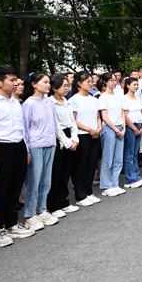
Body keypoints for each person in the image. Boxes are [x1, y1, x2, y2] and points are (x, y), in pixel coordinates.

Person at [0, 66, 36, 244]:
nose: (15, 83)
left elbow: (21, 128)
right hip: (1, 148)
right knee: (0, 190)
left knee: (15, 187)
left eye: (16, 80)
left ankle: (12, 223)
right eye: (11, 80)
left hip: (18, 146)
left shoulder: (15, 101)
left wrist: (25, 149)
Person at [21, 73, 59, 230]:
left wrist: (55, 143)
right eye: (45, 82)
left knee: (46, 180)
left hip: (50, 144)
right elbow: (24, 128)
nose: (48, 85)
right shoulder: (28, 104)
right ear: (34, 84)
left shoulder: (50, 102)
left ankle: (42, 210)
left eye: (49, 82)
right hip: (35, 146)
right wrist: (27, 150)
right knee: (34, 181)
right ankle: (30, 215)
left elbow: (55, 124)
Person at [48, 74, 81, 219]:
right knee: (56, 173)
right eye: (64, 86)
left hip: (70, 136)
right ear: (54, 88)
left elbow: (73, 122)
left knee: (66, 172)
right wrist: (67, 142)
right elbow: (55, 126)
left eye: (68, 85)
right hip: (59, 139)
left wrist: (74, 139)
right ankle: (54, 205)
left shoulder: (67, 102)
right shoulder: (50, 103)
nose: (67, 88)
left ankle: (64, 201)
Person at [68, 71, 102, 207]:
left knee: (91, 164)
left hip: (95, 134)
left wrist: (98, 128)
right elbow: (73, 120)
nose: (90, 84)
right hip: (82, 134)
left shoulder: (94, 99)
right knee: (80, 166)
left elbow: (99, 117)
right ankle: (80, 195)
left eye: (91, 81)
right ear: (79, 83)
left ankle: (89, 192)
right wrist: (89, 129)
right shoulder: (73, 100)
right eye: (87, 81)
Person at [120, 77, 142, 189]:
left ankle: (135, 176)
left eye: (137, 84)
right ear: (127, 86)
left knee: (135, 153)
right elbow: (125, 116)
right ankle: (129, 179)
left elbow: (140, 112)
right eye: (134, 84)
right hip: (131, 126)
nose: (136, 86)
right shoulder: (124, 98)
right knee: (129, 154)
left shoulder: (137, 98)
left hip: (139, 125)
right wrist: (134, 128)